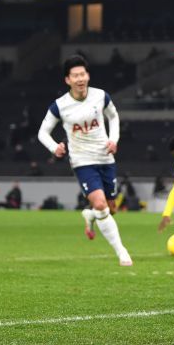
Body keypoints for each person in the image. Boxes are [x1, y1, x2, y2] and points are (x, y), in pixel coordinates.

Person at [38, 55, 133, 266]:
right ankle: (122, 252)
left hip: (106, 158)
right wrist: (55, 147)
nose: (80, 79)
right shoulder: (59, 106)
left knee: (111, 208)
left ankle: (90, 216)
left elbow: (114, 117)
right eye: (75, 76)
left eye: (82, 74)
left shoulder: (101, 96)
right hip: (82, 161)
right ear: (67, 80)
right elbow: (43, 132)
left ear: (88, 75)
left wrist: (113, 140)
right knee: (101, 204)